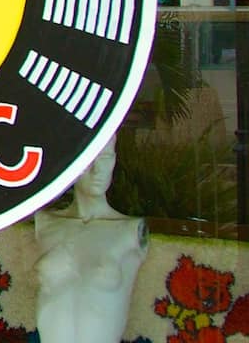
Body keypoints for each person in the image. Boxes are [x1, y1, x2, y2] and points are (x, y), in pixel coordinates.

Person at [34, 136, 147, 343]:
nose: (98, 170)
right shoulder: (46, 224)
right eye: (89, 158)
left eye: (106, 157)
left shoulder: (128, 232)